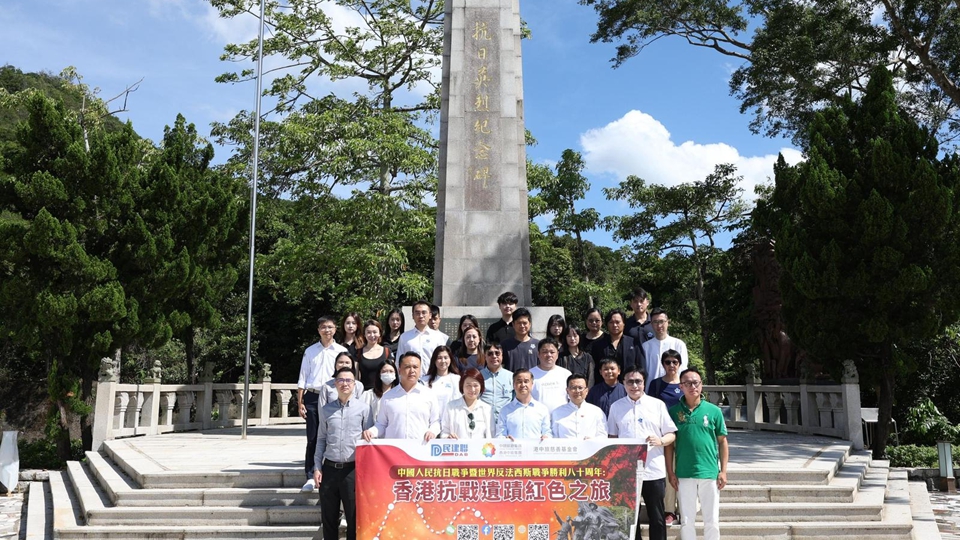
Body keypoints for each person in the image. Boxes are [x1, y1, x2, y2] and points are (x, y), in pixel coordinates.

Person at [608, 368, 677, 540]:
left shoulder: (657, 405)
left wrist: (660, 440)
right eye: (630, 381)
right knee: (630, 518)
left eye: (638, 381)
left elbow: (671, 434)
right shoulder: (616, 407)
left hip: (653, 469)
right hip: (626, 471)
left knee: (657, 516)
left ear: (644, 383)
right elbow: (612, 438)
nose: (634, 385)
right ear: (623, 383)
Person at [666, 368, 728, 540]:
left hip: (709, 472)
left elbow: (722, 441)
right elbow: (669, 446)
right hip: (684, 473)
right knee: (686, 520)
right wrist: (671, 472)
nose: (692, 386)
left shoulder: (714, 411)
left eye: (696, 383)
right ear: (681, 386)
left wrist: (723, 471)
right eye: (688, 383)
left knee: (712, 520)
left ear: (701, 385)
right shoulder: (673, 412)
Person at [311, 366, 372, 540]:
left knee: (354, 519)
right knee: (329, 519)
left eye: (349, 380)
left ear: (355, 384)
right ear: (335, 384)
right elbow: (321, 439)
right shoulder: (326, 409)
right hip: (329, 469)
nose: (345, 384)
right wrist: (317, 467)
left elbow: (369, 442)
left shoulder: (364, 409)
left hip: (352, 471)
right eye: (341, 380)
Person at [297, 316, 347, 491]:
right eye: (323, 327)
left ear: (335, 329)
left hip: (334, 396)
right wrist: (300, 401)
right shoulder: (310, 351)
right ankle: (310, 476)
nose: (327, 330)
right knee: (312, 438)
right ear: (318, 330)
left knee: (333, 436)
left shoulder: (341, 351)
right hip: (312, 396)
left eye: (330, 327)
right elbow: (303, 377)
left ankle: (329, 473)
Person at [362, 352, 440, 441]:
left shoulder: (429, 395)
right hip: (394, 450)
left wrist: (432, 431)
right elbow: (381, 424)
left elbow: (435, 422)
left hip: (420, 450)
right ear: (399, 370)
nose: (412, 371)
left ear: (420, 370)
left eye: (415, 367)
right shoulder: (388, 397)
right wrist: (371, 432)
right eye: (407, 367)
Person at [647, 349, 685, 526]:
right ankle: (669, 510)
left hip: (684, 433)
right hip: (664, 435)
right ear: (663, 364)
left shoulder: (685, 383)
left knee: (684, 471)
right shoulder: (656, 384)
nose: (671, 365)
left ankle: (684, 508)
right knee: (668, 471)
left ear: (679, 364)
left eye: (675, 362)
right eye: (668, 362)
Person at [496, 368, 550, 441]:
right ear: (514, 385)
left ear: (532, 384)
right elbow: (500, 434)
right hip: (513, 451)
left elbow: (547, 432)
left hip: (535, 451)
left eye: (526, 381)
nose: (523, 385)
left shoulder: (542, 409)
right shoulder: (505, 410)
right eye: (519, 381)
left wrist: (546, 437)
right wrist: (505, 439)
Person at [641, 309, 689, 392]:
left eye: (661, 321)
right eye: (655, 322)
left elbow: (683, 369)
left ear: (668, 322)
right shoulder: (646, 346)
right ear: (651, 324)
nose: (659, 325)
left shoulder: (678, 344)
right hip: (652, 389)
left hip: (675, 389)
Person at [590, 309, 642, 383]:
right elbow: (596, 370)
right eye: (611, 322)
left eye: (617, 322)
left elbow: (640, 366)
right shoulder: (598, 345)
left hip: (629, 386)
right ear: (607, 324)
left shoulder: (633, 343)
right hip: (605, 387)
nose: (614, 325)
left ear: (624, 323)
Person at [551, 374, 607, 439]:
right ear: (567, 391)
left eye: (580, 388)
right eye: (573, 388)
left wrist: (593, 440)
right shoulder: (557, 412)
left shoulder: (597, 411)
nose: (577, 391)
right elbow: (554, 437)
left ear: (586, 391)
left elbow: (603, 435)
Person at [441, 368, 492, 439]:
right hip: (458, 449)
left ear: (481, 386)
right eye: (468, 385)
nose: (472, 389)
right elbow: (444, 432)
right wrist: (448, 437)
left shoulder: (487, 409)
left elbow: (492, 435)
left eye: (475, 385)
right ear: (462, 386)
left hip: (480, 449)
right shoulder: (451, 407)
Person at [397, 300, 448, 369]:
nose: (421, 316)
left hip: (432, 378)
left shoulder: (438, 337)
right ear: (412, 316)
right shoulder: (404, 337)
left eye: (424, 313)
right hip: (411, 378)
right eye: (417, 313)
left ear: (430, 315)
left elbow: (443, 360)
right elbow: (399, 362)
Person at [530, 338, 572, 413]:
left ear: (557, 354)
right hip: (538, 419)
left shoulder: (566, 374)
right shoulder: (530, 374)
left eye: (552, 352)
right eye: (545, 352)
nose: (549, 355)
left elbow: (571, 398)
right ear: (538, 354)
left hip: (561, 419)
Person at [479, 343, 513, 434]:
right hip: (483, 423)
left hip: (506, 424)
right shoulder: (478, 376)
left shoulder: (511, 377)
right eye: (490, 354)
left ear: (502, 355)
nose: (494, 356)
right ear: (485, 356)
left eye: (497, 353)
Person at [421, 346, 462, 412]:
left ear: (450, 359)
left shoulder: (457, 379)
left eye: (446, 358)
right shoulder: (424, 380)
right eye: (439, 358)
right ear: (434, 360)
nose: (443, 361)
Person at [358, 320, 391, 389]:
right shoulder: (359, 352)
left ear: (379, 333)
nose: (372, 335)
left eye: (375, 332)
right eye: (369, 332)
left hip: (383, 392)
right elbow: (356, 376)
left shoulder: (387, 351)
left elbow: (392, 373)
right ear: (364, 334)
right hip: (364, 393)